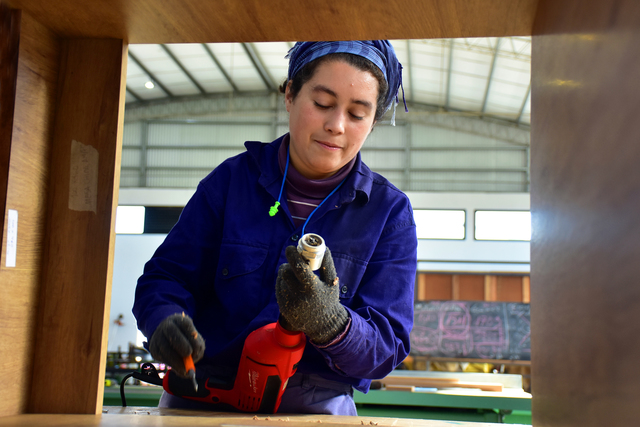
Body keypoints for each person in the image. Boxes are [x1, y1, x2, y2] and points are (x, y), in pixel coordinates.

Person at [132, 40, 418, 416]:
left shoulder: (389, 213)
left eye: (357, 113)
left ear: (374, 121)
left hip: (314, 410)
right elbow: (165, 277)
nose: (336, 125)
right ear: (289, 94)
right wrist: (164, 319)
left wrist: (333, 325)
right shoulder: (230, 182)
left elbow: (388, 346)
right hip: (202, 399)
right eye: (322, 104)